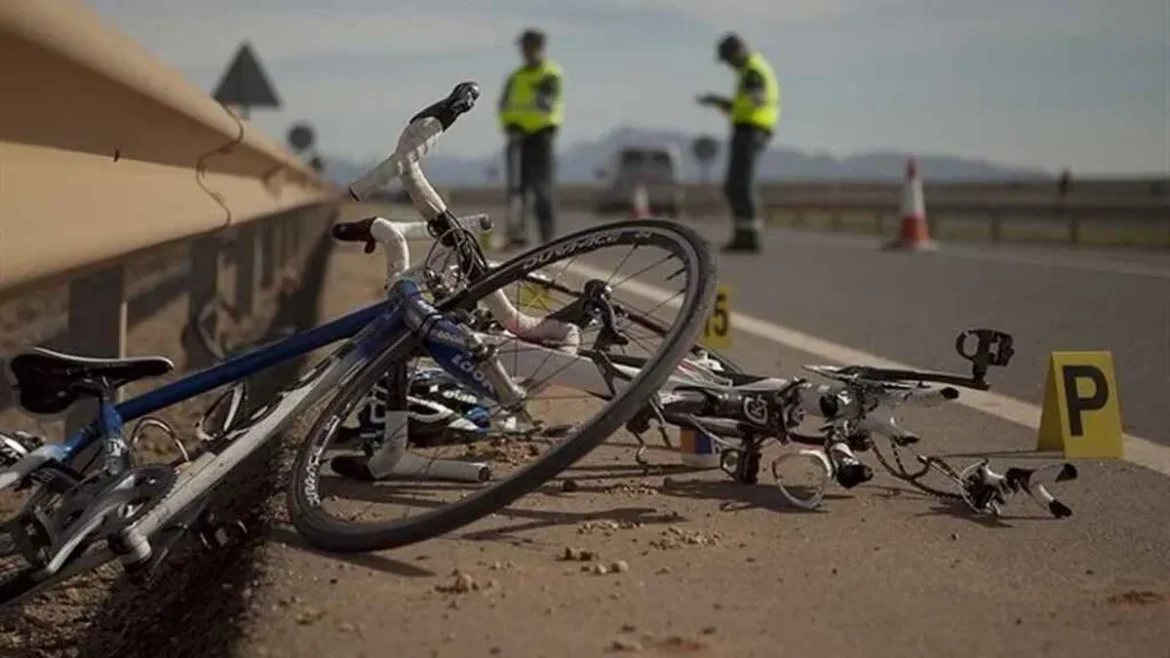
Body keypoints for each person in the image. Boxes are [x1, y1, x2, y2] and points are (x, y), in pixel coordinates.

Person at [697, 33, 781, 253]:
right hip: (748, 128)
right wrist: (719, 102)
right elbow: (743, 104)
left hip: (752, 129)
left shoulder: (753, 70)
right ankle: (744, 234)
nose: (728, 65)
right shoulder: (749, 70)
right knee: (736, 184)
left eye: (728, 59)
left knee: (740, 184)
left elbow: (753, 102)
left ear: (736, 52)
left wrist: (728, 105)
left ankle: (749, 236)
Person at [497, 29, 564, 247]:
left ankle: (547, 237)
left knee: (541, 189)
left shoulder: (550, 74)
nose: (524, 51)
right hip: (517, 137)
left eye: (527, 46)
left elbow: (547, 103)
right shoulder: (515, 77)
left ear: (538, 47)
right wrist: (510, 124)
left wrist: (528, 122)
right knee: (517, 189)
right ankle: (517, 234)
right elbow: (505, 105)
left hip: (541, 136)